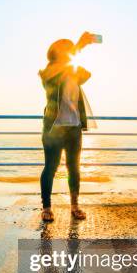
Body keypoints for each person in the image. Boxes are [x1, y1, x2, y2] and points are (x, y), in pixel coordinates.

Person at [39, 31, 96, 222]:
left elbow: (86, 74)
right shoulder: (48, 73)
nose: (69, 49)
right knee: (51, 168)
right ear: (56, 52)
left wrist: (76, 51)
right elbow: (57, 73)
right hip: (54, 128)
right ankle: (46, 208)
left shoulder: (73, 72)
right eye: (66, 46)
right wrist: (79, 45)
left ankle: (75, 206)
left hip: (74, 128)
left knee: (74, 168)